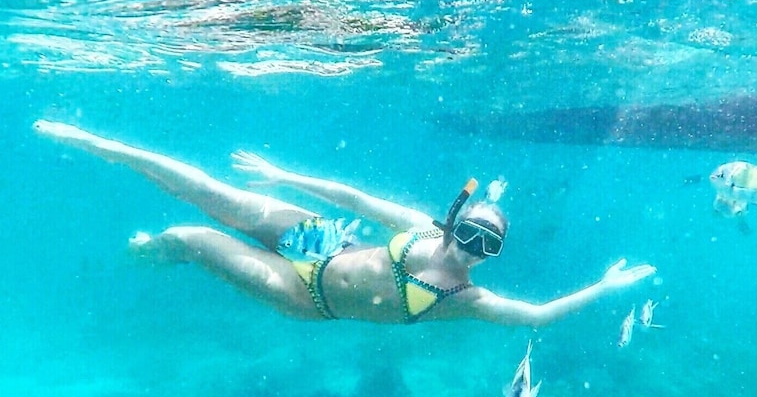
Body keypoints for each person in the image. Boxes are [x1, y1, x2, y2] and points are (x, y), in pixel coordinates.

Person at [33, 120, 656, 326]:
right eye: (468, 234)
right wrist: (282, 176)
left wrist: (606, 287)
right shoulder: (420, 227)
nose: (470, 252)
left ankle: (139, 255)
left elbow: (539, 316)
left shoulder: (468, 298)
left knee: (189, 239)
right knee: (215, 194)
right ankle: (93, 142)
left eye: (486, 248)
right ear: (454, 223)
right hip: (328, 242)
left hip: (307, 294)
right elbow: (350, 194)